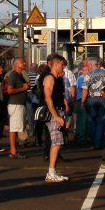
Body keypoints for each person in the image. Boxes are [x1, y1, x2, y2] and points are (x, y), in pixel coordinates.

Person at [42, 54, 69, 182]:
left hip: (59, 111)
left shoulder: (58, 79)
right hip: (53, 113)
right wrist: (56, 116)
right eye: (62, 65)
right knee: (56, 142)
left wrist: (64, 103)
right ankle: (51, 173)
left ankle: (53, 171)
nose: (63, 67)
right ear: (56, 64)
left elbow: (59, 94)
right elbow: (48, 98)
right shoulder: (49, 78)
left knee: (58, 142)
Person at [82, 58, 105, 149]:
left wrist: (82, 102)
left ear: (90, 65)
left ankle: (95, 142)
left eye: (88, 65)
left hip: (91, 100)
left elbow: (85, 90)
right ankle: (99, 142)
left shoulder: (88, 75)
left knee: (91, 121)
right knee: (101, 121)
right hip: (103, 99)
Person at [6, 56, 29, 159]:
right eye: (22, 62)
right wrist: (23, 88)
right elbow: (10, 90)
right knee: (14, 128)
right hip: (15, 105)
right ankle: (13, 151)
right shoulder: (13, 75)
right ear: (16, 64)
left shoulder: (20, 75)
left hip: (20, 104)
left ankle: (14, 150)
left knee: (17, 127)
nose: (24, 64)